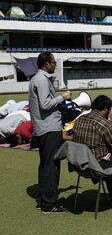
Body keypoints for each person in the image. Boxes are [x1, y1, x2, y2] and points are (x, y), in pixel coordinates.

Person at [73, 95, 112, 204]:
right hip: (97, 163)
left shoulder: (80, 119)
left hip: (80, 162)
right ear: (105, 108)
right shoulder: (103, 123)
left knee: (111, 160)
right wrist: (110, 125)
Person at [29, 52, 71, 214]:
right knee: (52, 166)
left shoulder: (36, 79)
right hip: (49, 128)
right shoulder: (42, 80)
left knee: (45, 165)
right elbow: (45, 104)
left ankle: (43, 200)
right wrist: (63, 97)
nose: (55, 65)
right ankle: (49, 204)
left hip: (42, 128)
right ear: (47, 64)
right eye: (53, 62)